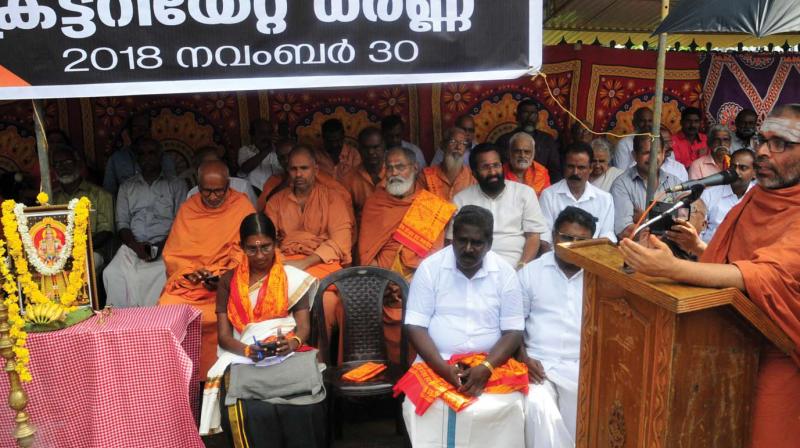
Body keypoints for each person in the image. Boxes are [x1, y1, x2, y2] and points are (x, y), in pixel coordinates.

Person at [619, 104, 800, 448]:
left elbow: (768, 276)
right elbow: (739, 264)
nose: (762, 151)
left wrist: (673, 268)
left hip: (780, 355)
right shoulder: (757, 198)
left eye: (780, 144)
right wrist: (703, 251)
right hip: (726, 342)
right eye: (763, 140)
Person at [397, 205, 528, 447]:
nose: (468, 249)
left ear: (489, 243)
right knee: (422, 405)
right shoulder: (430, 268)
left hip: (490, 363)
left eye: (476, 243)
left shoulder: (505, 274)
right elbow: (415, 326)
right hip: (437, 361)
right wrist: (443, 369)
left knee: (507, 406)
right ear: (452, 238)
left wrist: (487, 366)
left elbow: (513, 331)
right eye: (462, 240)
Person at [199, 213, 324, 446]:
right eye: (252, 249)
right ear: (241, 247)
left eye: (266, 247)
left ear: (276, 244)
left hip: (286, 350)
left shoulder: (291, 278)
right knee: (253, 410)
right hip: (244, 353)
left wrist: (293, 343)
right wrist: (248, 351)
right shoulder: (228, 281)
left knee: (305, 408)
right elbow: (225, 338)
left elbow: (304, 326)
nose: (259, 255)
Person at [159, 160, 256, 378]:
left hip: (229, 283)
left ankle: (227, 375)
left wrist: (225, 274)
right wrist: (191, 272)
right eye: (207, 191)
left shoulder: (241, 206)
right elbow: (174, 253)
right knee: (167, 307)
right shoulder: (188, 209)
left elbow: (249, 250)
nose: (212, 197)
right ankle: (182, 376)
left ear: (228, 185)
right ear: (198, 187)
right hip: (191, 284)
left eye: (218, 191)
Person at [359, 146, 457, 361]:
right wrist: (383, 283)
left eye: (400, 167)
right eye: (390, 168)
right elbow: (367, 253)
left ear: (414, 167)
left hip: (418, 283)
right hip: (380, 284)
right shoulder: (375, 203)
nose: (394, 173)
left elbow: (435, 256)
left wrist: (410, 285)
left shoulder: (431, 206)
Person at [519, 206, 595, 448]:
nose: (572, 245)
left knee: (587, 416)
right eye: (566, 237)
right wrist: (523, 358)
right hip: (537, 365)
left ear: (591, 243)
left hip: (582, 366)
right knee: (538, 408)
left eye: (581, 240)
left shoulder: (601, 278)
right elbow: (512, 327)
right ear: (553, 237)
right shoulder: (530, 273)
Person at [265, 146, 353, 346]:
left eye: (304, 168)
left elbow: (341, 240)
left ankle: (319, 360)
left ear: (315, 169)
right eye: (293, 169)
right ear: (287, 171)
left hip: (321, 265)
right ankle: (283, 355)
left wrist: (305, 262)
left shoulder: (332, 198)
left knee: (328, 303)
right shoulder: (276, 202)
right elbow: (267, 243)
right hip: (285, 266)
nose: (298, 174)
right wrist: (283, 262)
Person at [104, 138, 187, 308]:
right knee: (111, 273)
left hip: (166, 246)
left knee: (157, 275)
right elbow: (122, 223)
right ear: (136, 159)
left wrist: (159, 247)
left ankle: (152, 323)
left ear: (160, 156)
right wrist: (136, 246)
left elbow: (182, 223)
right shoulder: (127, 187)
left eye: (152, 153)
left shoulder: (176, 184)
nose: (147, 157)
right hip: (133, 246)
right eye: (142, 154)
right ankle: (123, 324)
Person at [452, 143, 549, 269]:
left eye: (496, 165)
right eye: (485, 167)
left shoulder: (525, 193)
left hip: (515, 266)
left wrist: (522, 266)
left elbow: (533, 237)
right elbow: (453, 241)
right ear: (474, 173)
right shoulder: (461, 199)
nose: (493, 172)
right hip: (474, 267)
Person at [668, 149, 756, 252]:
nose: (736, 172)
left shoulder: (760, 196)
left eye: (743, 168)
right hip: (709, 255)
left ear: (754, 173)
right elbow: (698, 232)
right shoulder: (710, 194)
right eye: (733, 167)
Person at [51, 144, 113, 270]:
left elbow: (106, 232)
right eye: (57, 164)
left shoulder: (100, 195)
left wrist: (78, 248)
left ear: (78, 164)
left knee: (82, 267)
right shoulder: (52, 199)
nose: (62, 167)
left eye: (67, 162)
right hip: (58, 252)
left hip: (92, 250)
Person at [539, 143, 615, 244]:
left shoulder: (605, 199)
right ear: (564, 167)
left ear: (591, 168)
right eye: (570, 167)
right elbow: (544, 238)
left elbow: (607, 236)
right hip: (556, 256)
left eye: (581, 168)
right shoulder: (548, 195)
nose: (575, 172)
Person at [611, 135, 682, 239]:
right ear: (634, 155)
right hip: (637, 252)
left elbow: (684, 223)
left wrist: (645, 217)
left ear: (663, 154)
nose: (652, 157)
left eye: (656, 152)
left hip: (670, 252)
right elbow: (625, 231)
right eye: (646, 153)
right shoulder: (622, 184)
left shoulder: (675, 182)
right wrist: (667, 225)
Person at [103, 112, 176, 196]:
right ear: (129, 132)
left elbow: (173, 188)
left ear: (150, 131)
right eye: (136, 129)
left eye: (144, 129)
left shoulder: (164, 158)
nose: (141, 133)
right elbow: (108, 192)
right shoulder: (117, 159)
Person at [496, 99, 562, 181]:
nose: (530, 117)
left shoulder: (547, 140)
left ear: (538, 118)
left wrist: (550, 191)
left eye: (533, 113)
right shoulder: (504, 140)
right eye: (525, 113)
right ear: (517, 117)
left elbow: (555, 170)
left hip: (542, 187)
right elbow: (501, 168)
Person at [186, 146, 258, 206]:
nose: (214, 167)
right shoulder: (193, 194)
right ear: (198, 170)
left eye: (217, 162)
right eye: (208, 165)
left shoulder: (242, 186)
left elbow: (254, 216)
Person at [419, 127, 476, 201]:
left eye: (463, 143)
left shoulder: (472, 177)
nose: (458, 147)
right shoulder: (425, 176)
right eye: (453, 142)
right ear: (443, 145)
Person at [342, 127, 386, 219]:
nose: (371, 152)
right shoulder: (349, 178)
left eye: (375, 147)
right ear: (359, 149)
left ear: (384, 147)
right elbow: (346, 214)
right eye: (366, 148)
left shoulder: (396, 174)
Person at [237, 119, 281, 192]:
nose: (267, 136)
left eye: (269, 133)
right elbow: (245, 169)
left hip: (275, 197)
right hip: (251, 198)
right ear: (252, 135)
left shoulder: (278, 151)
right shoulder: (245, 150)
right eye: (262, 133)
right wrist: (268, 149)